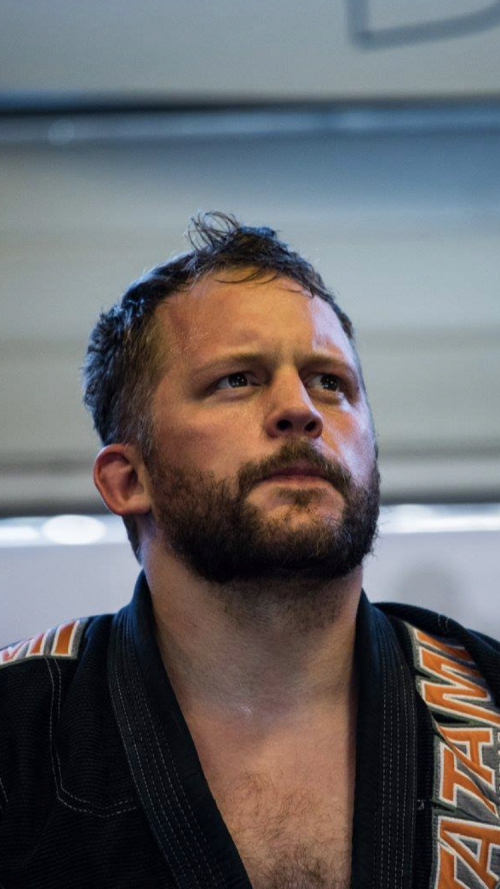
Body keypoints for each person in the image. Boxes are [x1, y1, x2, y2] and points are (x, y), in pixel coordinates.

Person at [1, 213, 500, 889]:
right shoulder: (20, 726)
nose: (302, 409)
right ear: (129, 480)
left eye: (330, 382)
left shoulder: (489, 698)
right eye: (237, 379)